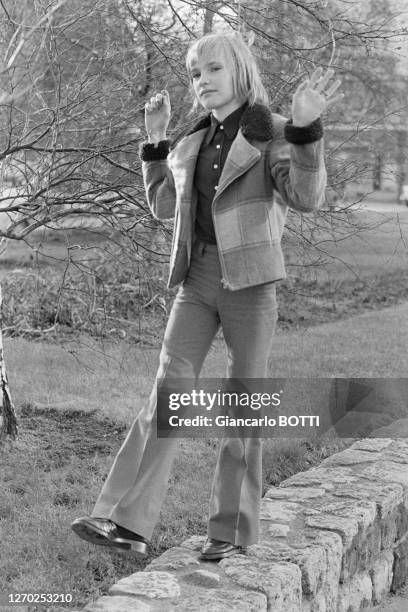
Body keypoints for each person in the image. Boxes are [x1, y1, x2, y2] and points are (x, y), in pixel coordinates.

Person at [71, 31, 342, 561]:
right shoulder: (193, 139)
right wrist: (154, 144)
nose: (202, 82)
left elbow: (307, 198)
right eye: (195, 74)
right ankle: (127, 524)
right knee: (167, 395)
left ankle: (232, 531)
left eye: (213, 70)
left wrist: (309, 129)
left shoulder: (274, 132)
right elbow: (164, 209)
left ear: (238, 70)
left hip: (252, 283)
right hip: (196, 281)